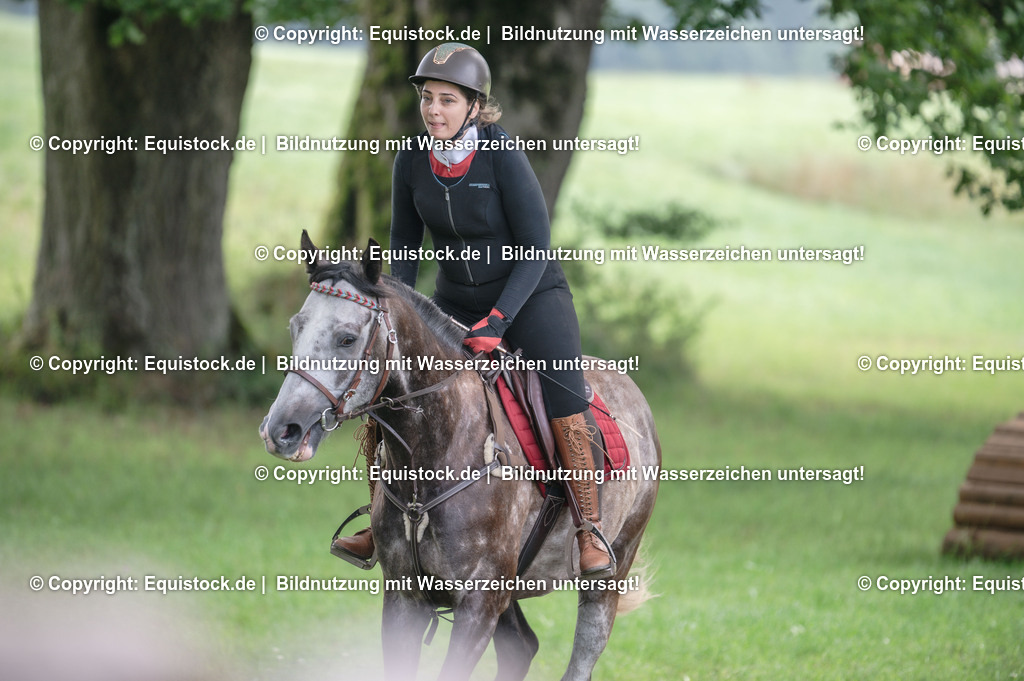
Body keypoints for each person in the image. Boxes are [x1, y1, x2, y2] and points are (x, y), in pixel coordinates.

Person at [331, 43, 613, 578]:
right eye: (427, 99)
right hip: (456, 298)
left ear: (475, 106)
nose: (433, 110)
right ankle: (379, 518)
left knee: (562, 391)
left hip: (530, 296)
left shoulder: (503, 157)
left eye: (447, 101)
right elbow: (405, 247)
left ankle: (589, 527)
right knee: (391, 385)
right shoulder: (411, 159)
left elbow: (535, 247)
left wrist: (498, 324)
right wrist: (397, 316)